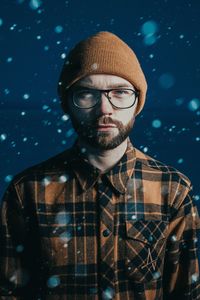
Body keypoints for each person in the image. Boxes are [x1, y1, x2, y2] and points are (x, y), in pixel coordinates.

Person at [0, 31, 199, 300]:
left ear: (137, 102)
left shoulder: (174, 190)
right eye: (87, 93)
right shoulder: (27, 192)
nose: (105, 108)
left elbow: (187, 293)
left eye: (120, 92)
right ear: (68, 103)